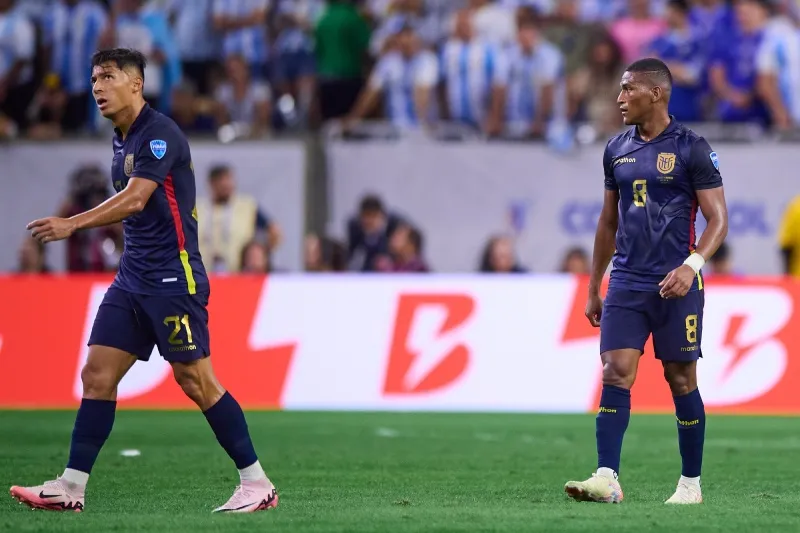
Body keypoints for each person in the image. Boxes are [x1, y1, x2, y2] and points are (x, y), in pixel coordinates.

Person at [11, 48, 278, 514]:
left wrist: (73, 224)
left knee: (196, 381)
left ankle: (257, 484)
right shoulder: (121, 138)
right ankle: (71, 487)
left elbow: (136, 200)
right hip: (133, 280)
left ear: (136, 83)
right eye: (94, 78)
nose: (97, 87)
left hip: (174, 280)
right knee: (96, 375)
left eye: (108, 77)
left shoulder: (160, 135)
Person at [564, 57, 728, 505]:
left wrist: (690, 265)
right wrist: (595, 284)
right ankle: (606, 477)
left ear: (655, 93)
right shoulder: (615, 149)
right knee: (615, 370)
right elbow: (606, 222)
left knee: (680, 380)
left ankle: (690, 485)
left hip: (677, 283)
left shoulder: (693, 148)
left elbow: (718, 220)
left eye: (627, 89)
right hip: (627, 282)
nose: (619, 98)